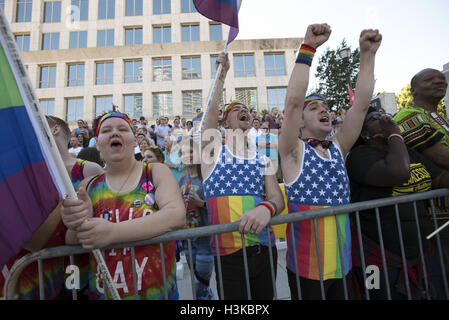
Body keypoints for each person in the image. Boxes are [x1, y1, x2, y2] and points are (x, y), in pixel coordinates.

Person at [278, 24, 382, 300]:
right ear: (299, 122)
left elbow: (360, 103)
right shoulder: (292, 151)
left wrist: (367, 55)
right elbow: (292, 103)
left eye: (324, 106)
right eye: (313, 108)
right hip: (306, 270)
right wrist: (308, 48)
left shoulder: (339, 145)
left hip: (343, 265)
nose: (323, 108)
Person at [61, 111, 185, 300]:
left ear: (135, 140)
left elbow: (176, 215)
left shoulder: (155, 172)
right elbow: (72, 240)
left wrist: (113, 232)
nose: (114, 133)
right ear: (98, 142)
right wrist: (76, 221)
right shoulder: (88, 186)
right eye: (107, 130)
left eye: (122, 129)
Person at [201, 52, 285, 300]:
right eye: (236, 109)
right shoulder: (212, 152)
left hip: (264, 250)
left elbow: (276, 198)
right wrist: (221, 76)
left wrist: (267, 209)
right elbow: (208, 118)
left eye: (246, 109)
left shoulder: (264, 158)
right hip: (227, 253)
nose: (243, 110)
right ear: (225, 122)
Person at [346, 107, 448, 299]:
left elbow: (440, 178)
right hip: (378, 256)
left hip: (422, 250)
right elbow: (399, 172)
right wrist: (395, 134)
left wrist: (396, 140)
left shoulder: (408, 152)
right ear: (365, 132)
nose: (385, 118)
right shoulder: (360, 156)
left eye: (387, 115)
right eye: (376, 117)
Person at [0, 116, 104, 300]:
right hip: (28, 276)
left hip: (75, 273)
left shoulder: (89, 170)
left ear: (54, 129)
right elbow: (30, 238)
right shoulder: (22, 171)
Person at [178, 139, 215, 300]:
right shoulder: (182, 180)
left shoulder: (207, 178)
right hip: (188, 240)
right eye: (183, 153)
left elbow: (217, 206)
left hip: (205, 241)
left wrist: (200, 203)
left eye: (191, 151)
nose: (188, 155)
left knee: (200, 287)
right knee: (201, 286)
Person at [393, 69, 449, 171]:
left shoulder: (440, 117)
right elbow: (441, 159)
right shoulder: (409, 115)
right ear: (413, 90)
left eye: (442, 78)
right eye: (428, 79)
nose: (439, 81)